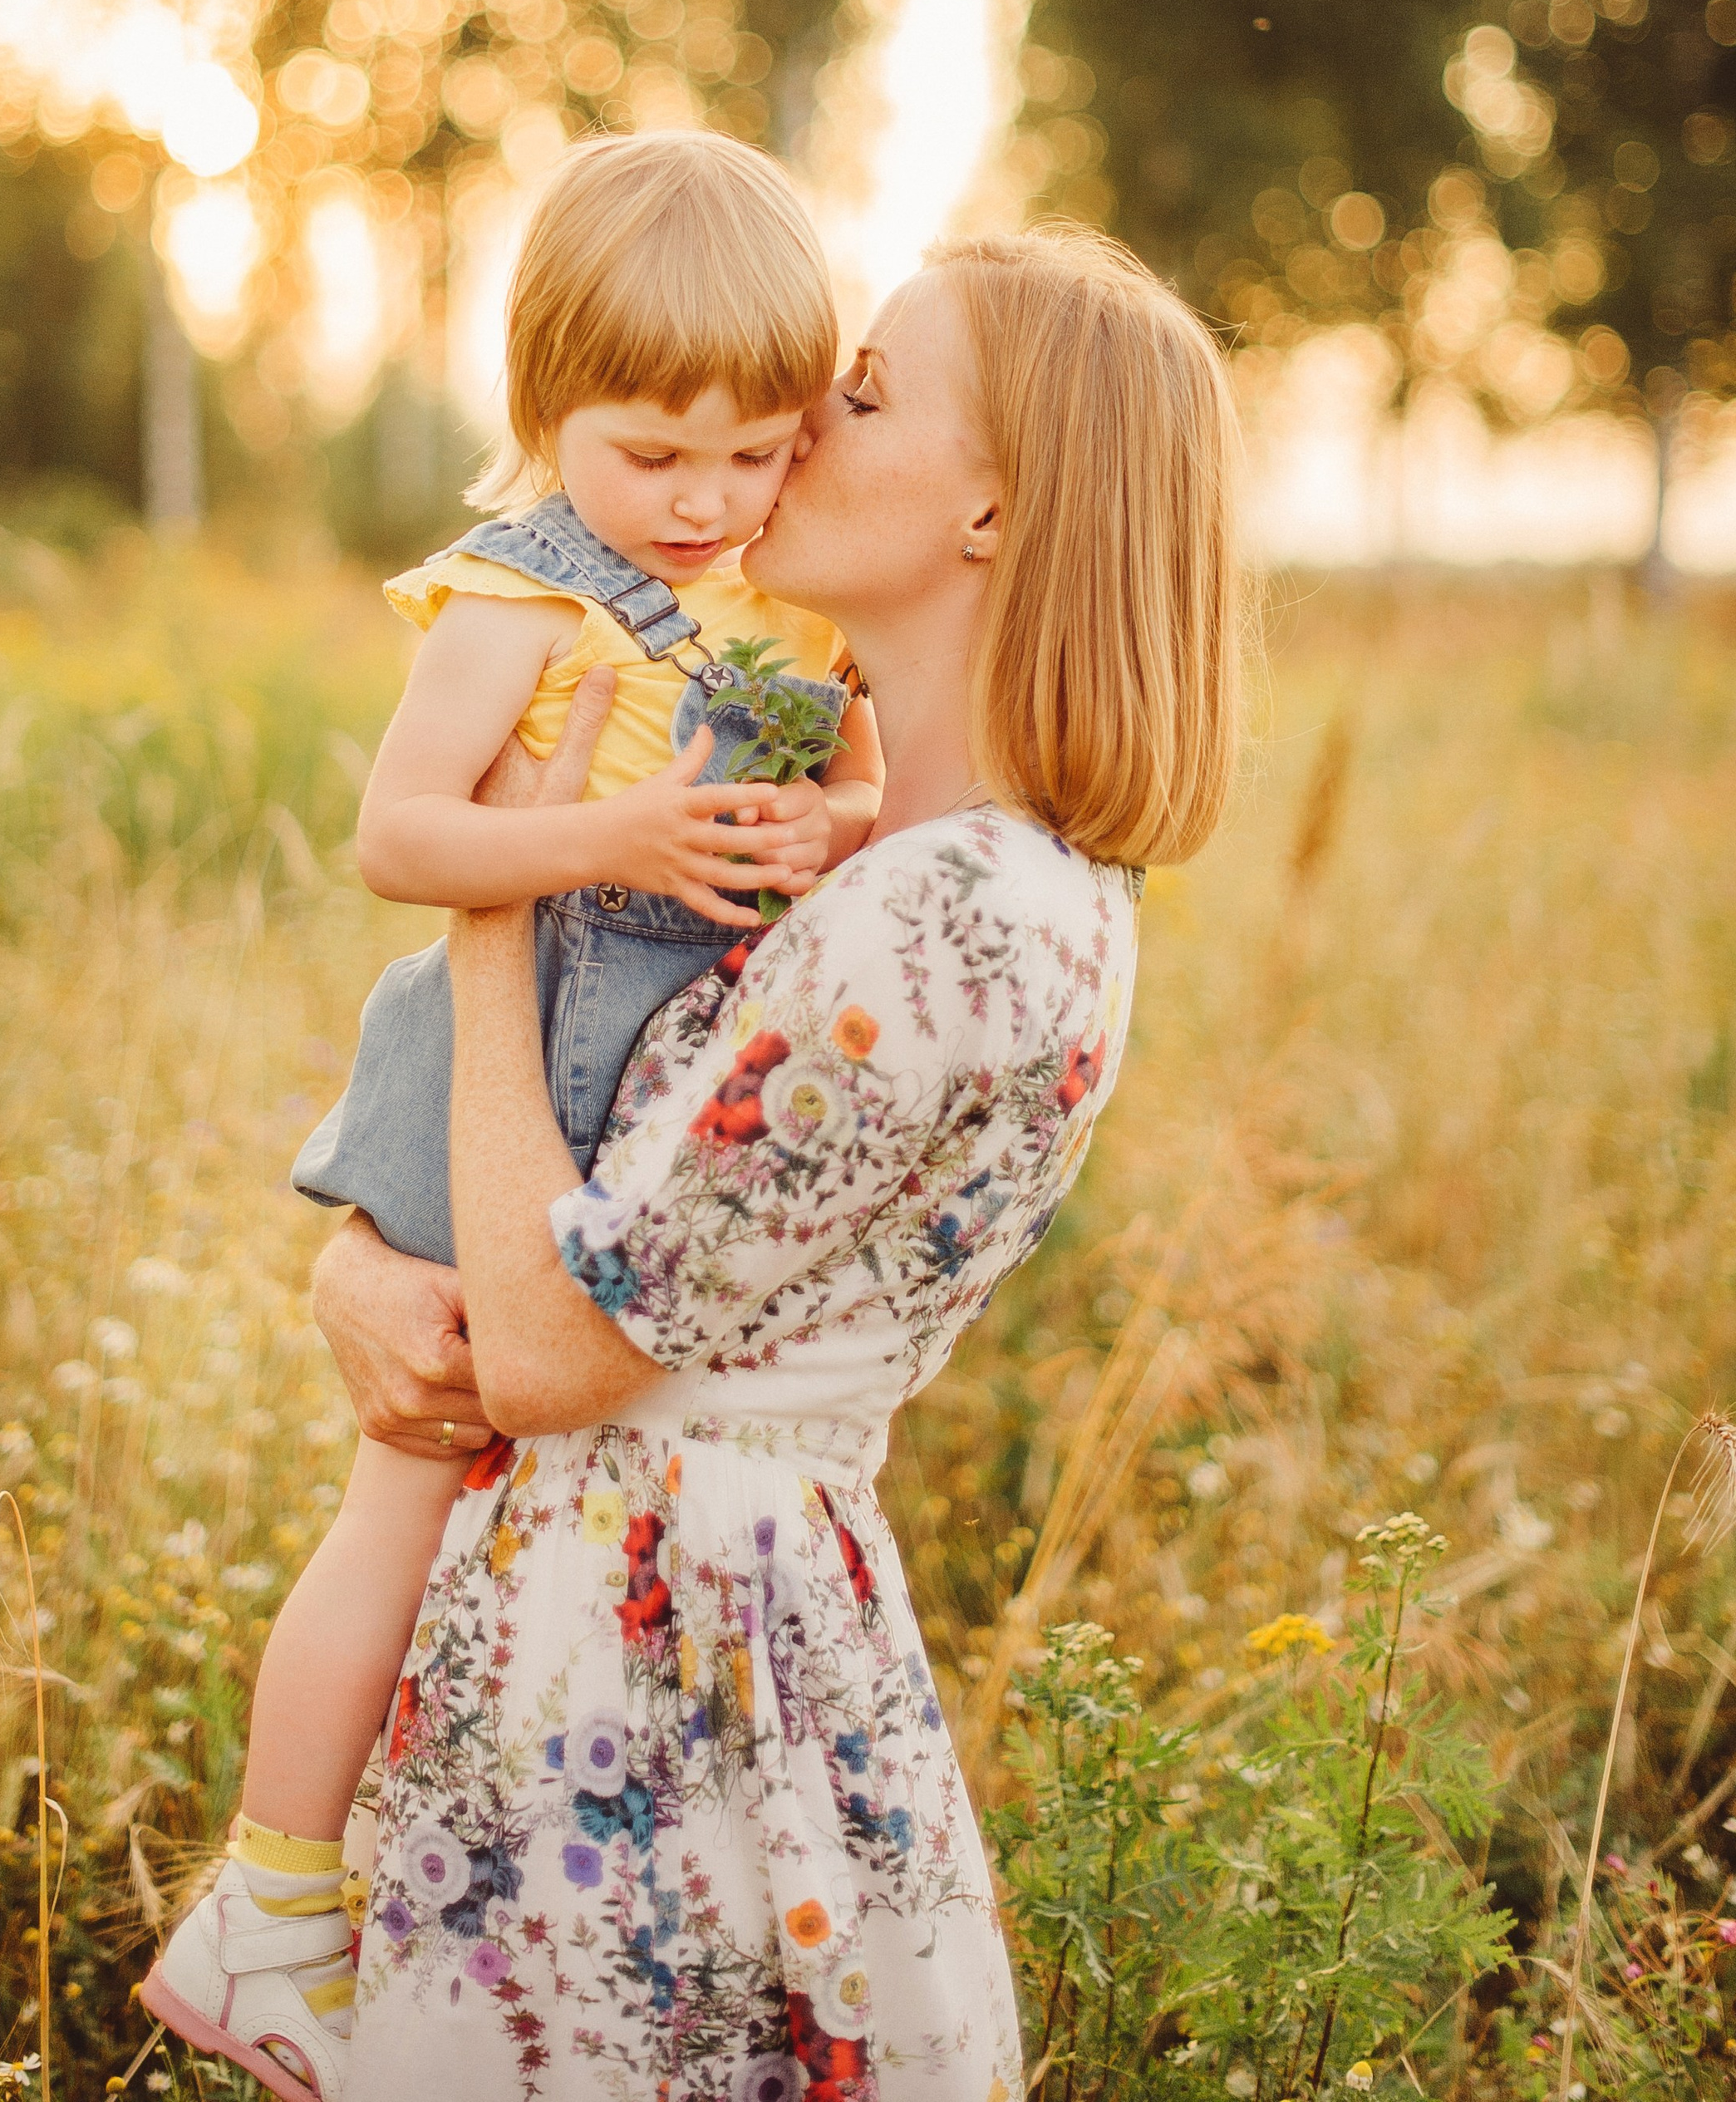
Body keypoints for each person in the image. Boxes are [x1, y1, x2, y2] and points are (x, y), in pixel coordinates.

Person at [314, 225, 1244, 2100]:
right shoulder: (871, 858)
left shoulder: (947, 917)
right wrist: (360, 1251)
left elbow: (563, 1346)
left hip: (667, 1709)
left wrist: (516, 883)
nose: (795, 418)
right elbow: (598, 1187)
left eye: (869, 390)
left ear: (993, 515)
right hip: (632, 1633)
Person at [143, 131, 884, 2097]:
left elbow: (871, 791)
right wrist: (605, 832)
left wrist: (830, 817)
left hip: (638, 1080)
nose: (709, 501)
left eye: (756, 451)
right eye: (653, 453)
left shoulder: (785, 596)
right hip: (495, 1051)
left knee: (526, 1510)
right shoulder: (517, 594)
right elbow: (398, 832)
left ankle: (454, 1918)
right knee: (404, 1480)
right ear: (544, 408)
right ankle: (267, 1902)